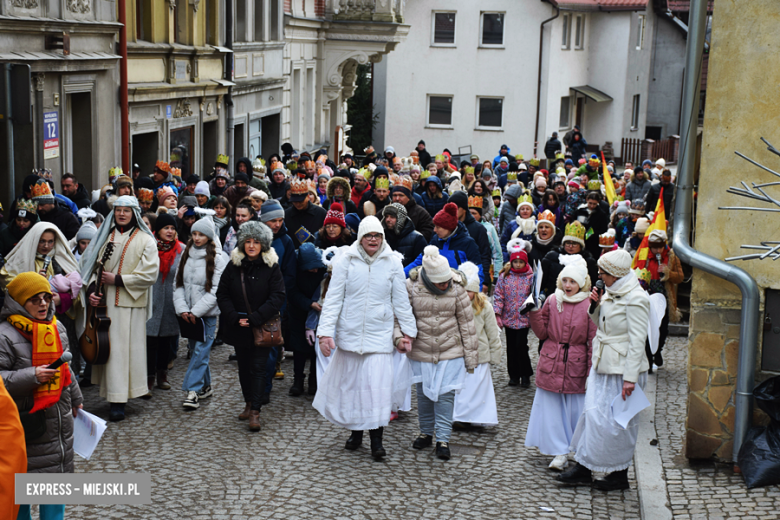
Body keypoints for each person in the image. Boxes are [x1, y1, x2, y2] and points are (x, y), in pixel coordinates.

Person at [314, 216, 417, 460]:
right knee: (353, 388)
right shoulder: (345, 262)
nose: (373, 239)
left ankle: (377, 440)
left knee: (376, 391)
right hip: (350, 336)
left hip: (379, 338)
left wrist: (408, 332)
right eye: (368, 235)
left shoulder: (392, 262)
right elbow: (333, 299)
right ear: (360, 237)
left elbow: (401, 301)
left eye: (377, 235)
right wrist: (325, 333)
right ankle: (356, 433)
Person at [558, 249, 650, 491]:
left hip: (623, 372)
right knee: (593, 416)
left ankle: (619, 474)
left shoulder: (637, 298)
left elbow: (638, 341)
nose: (599, 276)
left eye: (603, 272)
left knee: (618, 424)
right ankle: (584, 465)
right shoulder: (611, 292)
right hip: (603, 364)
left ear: (616, 274)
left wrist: (630, 379)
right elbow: (602, 325)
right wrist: (595, 306)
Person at [0, 272, 83, 520]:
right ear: (18, 302)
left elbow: (65, 368)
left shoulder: (55, 327)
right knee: (20, 495)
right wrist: (33, 375)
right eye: (34, 299)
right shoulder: (5, 335)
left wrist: (76, 398)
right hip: (26, 425)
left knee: (55, 494)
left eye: (46, 297)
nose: (43, 304)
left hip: (57, 422)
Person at [80, 196, 159, 421]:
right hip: (105, 305)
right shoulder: (106, 236)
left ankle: (119, 401)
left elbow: (149, 274)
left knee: (125, 353)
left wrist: (118, 279)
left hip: (130, 304)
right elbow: (93, 269)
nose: (121, 214)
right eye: (118, 210)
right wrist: (93, 292)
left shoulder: (146, 239)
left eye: (126, 210)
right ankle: (112, 395)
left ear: (135, 212)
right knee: (109, 351)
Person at [403, 246, 477, 460]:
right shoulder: (411, 287)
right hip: (422, 349)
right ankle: (425, 432)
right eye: (440, 283)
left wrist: (471, 358)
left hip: (450, 350)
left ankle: (443, 439)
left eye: (446, 281)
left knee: (445, 395)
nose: (445, 285)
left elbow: (467, 323)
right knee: (424, 394)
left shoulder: (456, 288)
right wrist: (400, 338)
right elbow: (402, 316)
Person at [526, 255, 596, 470]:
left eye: (573, 282)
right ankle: (559, 451)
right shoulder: (552, 300)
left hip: (576, 362)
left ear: (582, 283)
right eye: (565, 280)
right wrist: (534, 312)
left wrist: (591, 372)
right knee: (553, 411)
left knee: (575, 410)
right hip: (552, 360)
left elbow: (592, 340)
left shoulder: (589, 304)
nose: (568, 285)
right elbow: (543, 333)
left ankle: (576, 449)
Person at [217, 221, 286, 431]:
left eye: (256, 241)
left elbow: (277, 296)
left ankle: (256, 410)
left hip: (261, 326)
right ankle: (248, 402)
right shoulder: (233, 265)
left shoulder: (271, 266)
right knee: (244, 368)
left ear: (263, 244)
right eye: (248, 241)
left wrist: (256, 317)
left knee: (258, 368)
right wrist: (232, 316)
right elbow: (223, 293)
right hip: (239, 326)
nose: (252, 245)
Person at [174, 218, 228, 410]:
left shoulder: (218, 259)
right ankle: (205, 386)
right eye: (194, 234)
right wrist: (183, 310)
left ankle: (192, 391)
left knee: (199, 351)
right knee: (196, 350)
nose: (197, 238)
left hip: (207, 315)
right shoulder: (186, 254)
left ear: (209, 236)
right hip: (188, 314)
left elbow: (215, 291)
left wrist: (196, 311)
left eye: (201, 234)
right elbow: (178, 283)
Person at [452, 262, 500, 428]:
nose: (466, 294)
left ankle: (476, 416)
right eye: (463, 291)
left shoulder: (484, 306)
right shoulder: (453, 304)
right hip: (459, 354)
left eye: (469, 291)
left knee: (477, 388)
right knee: (462, 388)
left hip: (479, 354)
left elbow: (492, 332)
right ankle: (460, 416)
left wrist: (495, 353)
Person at [145, 213, 183, 396]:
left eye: (172, 228)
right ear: (157, 230)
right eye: (166, 228)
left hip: (170, 301)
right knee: (150, 340)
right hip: (151, 299)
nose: (169, 232)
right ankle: (149, 376)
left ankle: (162, 374)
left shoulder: (181, 250)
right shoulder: (148, 247)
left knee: (166, 341)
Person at [634, 229, 684, 369]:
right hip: (648, 295)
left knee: (662, 328)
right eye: (654, 247)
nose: (656, 250)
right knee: (648, 326)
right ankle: (649, 358)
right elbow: (636, 271)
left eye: (659, 247)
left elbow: (680, 277)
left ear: (664, 245)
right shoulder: (644, 254)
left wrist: (669, 273)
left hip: (665, 296)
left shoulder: (672, 256)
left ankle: (658, 350)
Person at [404, 203, 484, 286]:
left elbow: (477, 272)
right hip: (436, 288)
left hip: (459, 291)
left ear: (449, 227)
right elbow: (420, 260)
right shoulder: (435, 240)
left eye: (438, 227)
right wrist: (400, 275)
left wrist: (474, 293)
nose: (434, 230)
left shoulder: (468, 243)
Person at [494, 239, 535, 387]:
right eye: (515, 262)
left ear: (525, 263)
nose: (518, 265)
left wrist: (533, 313)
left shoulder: (530, 278)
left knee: (521, 346)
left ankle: (525, 374)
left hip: (524, 318)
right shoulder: (505, 277)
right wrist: (497, 313)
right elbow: (499, 295)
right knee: (511, 348)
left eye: (520, 262)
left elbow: (533, 296)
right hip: (509, 318)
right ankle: (514, 375)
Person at [286, 243, 326, 397]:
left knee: (316, 348)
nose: (315, 271)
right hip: (299, 311)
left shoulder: (322, 266)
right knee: (299, 348)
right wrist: (308, 303)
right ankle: (298, 380)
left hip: (317, 314)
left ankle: (313, 381)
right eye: (311, 268)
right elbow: (291, 290)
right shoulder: (294, 268)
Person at [540, 222, 599, 299]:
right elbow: (542, 281)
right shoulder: (551, 257)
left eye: (574, 244)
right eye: (568, 243)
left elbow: (593, 284)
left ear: (581, 246)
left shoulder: (589, 262)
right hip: (554, 298)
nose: (570, 246)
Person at [286, 178, 327, 248]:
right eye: (295, 201)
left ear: (308, 197)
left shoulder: (321, 213)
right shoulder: (286, 215)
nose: (298, 204)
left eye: (301, 201)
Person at [391, 178, 434, 242]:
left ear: (408, 197)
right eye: (395, 195)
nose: (397, 198)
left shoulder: (421, 213)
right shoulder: (385, 211)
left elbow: (428, 232)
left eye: (401, 195)